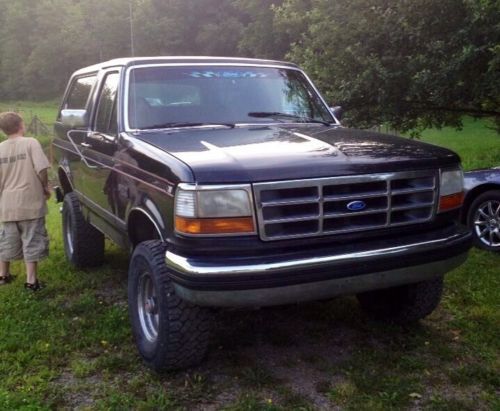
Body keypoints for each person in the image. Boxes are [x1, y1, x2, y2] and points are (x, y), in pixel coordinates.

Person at [0, 112, 51, 290]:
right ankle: (31, 282)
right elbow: (42, 168)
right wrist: (45, 187)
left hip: (8, 205)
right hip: (30, 203)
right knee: (32, 240)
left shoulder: (0, 148)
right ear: (21, 125)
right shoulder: (31, 143)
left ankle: (3, 276)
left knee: (6, 240)